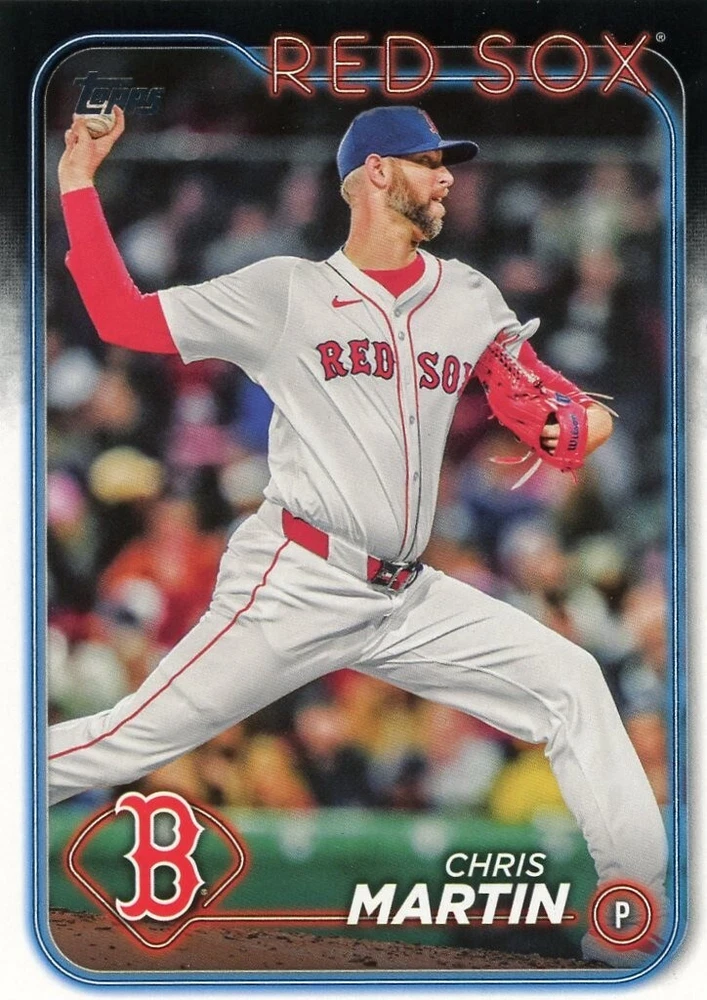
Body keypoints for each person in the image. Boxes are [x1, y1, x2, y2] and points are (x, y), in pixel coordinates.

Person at [49, 104, 667, 967]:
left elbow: (543, 391)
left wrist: (578, 417)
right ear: (375, 172)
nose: (446, 178)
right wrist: (78, 183)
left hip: (407, 593)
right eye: (428, 162)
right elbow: (121, 316)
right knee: (132, 736)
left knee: (570, 679)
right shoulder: (286, 292)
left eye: (447, 165)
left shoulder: (467, 296)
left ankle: (636, 914)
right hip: (297, 578)